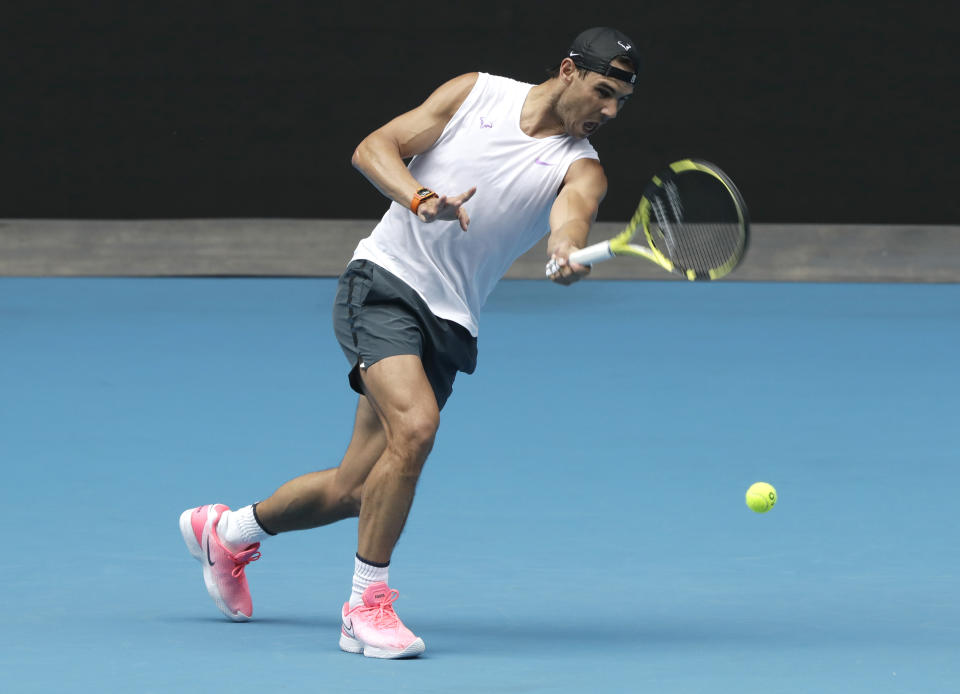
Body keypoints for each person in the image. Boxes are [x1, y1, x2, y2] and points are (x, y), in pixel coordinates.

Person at [179, 26, 639, 659]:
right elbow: (376, 147)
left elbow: (572, 215)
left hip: (450, 324)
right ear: (567, 70)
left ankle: (228, 530)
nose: (610, 110)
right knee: (416, 429)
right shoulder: (477, 95)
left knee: (355, 491)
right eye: (603, 90)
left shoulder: (580, 166)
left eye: (621, 100)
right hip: (385, 284)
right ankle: (364, 607)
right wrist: (420, 197)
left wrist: (565, 248)